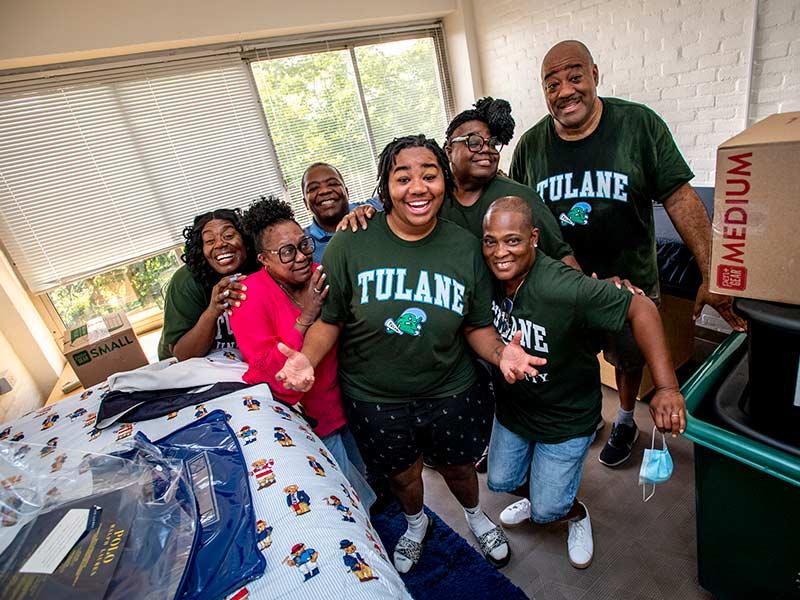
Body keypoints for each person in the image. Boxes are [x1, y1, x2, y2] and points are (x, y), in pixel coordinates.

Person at [275, 135, 546, 573]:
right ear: (385, 188)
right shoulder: (351, 244)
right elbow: (332, 319)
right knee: (403, 475)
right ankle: (416, 523)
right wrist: (307, 357)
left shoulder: (464, 247)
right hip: (376, 397)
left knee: (459, 468)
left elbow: (476, 326)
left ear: (443, 182)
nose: (417, 187)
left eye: (429, 174)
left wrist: (500, 354)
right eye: (404, 177)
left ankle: (476, 517)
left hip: (450, 390)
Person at [509, 40, 746, 468]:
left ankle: (623, 419)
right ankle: (584, 418)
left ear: (595, 75)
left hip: (630, 282)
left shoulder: (638, 126)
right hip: (565, 288)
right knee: (568, 360)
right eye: (552, 83)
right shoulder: (530, 147)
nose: (565, 91)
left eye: (575, 76)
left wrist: (712, 273)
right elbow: (518, 219)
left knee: (627, 358)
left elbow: (681, 198)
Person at [481, 196, 686, 568]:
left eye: (512, 240)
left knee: (550, 509)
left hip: (565, 415)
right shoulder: (487, 275)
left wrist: (668, 387)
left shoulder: (563, 286)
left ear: (534, 238)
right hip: (514, 409)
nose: (499, 253)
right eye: (490, 241)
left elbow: (642, 308)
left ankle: (574, 514)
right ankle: (540, 494)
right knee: (500, 479)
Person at [228, 196, 374, 507]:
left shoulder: (323, 272)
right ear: (264, 259)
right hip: (307, 415)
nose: (301, 256)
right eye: (286, 252)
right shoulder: (248, 297)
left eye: (304, 244)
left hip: (348, 399)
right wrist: (305, 318)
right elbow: (270, 373)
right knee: (347, 499)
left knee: (365, 472)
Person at [158, 208, 257, 361]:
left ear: (245, 239)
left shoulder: (261, 267)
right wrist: (213, 310)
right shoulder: (185, 281)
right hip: (195, 363)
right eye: (210, 241)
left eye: (228, 236)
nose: (220, 244)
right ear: (201, 250)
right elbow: (182, 355)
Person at [301, 162, 383, 262]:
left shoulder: (372, 209)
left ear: (347, 192)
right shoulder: (302, 246)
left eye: (333, 184)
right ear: (305, 203)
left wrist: (376, 216)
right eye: (313, 188)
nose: (324, 191)